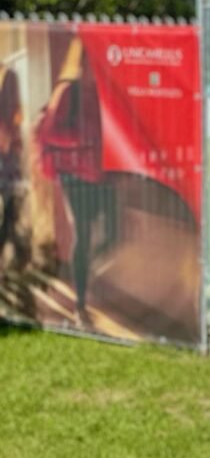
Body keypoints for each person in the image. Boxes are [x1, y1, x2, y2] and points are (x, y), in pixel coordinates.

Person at [34, 38, 115, 328]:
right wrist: (85, 141)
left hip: (97, 175)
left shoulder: (99, 93)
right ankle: (81, 305)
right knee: (82, 233)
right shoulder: (68, 91)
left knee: (113, 230)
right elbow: (49, 134)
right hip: (73, 175)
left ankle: (87, 276)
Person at [0, 65, 29, 272]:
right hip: (7, 153)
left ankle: (15, 253)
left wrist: (12, 138)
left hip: (8, 156)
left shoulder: (10, 76)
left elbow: (17, 112)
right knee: (11, 209)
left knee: (12, 208)